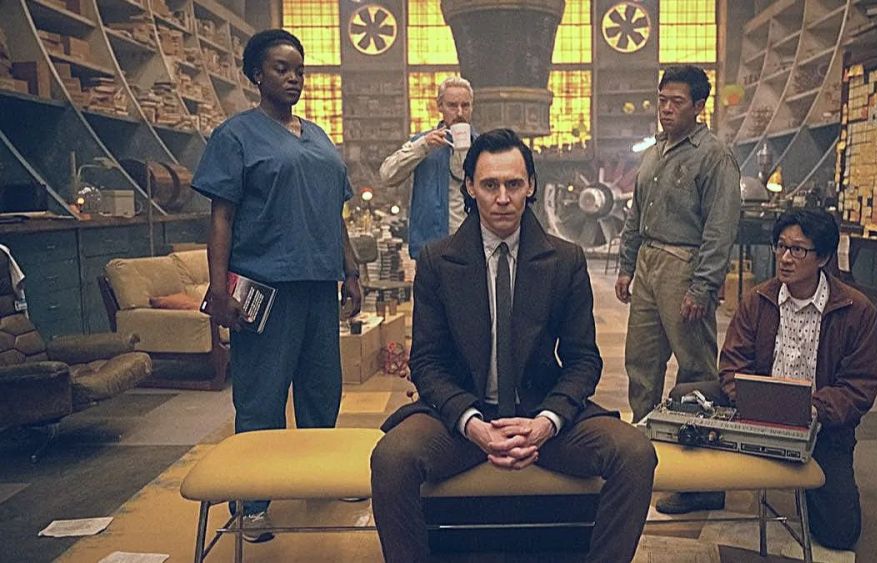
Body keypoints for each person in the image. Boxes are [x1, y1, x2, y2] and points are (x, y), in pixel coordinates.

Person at [370, 129, 657, 563]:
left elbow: (582, 360)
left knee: (635, 453)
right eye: (490, 185)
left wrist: (546, 421)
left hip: (540, 412)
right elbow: (426, 362)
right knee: (392, 458)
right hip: (461, 420)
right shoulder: (437, 261)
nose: (502, 198)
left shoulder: (565, 260)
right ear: (470, 187)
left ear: (531, 186)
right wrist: (472, 424)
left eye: (513, 184)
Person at [193, 29, 362, 542]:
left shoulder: (319, 137)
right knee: (262, 395)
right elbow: (222, 216)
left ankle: (317, 477)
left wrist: (351, 270)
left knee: (321, 390)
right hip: (264, 287)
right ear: (256, 75)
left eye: (299, 70)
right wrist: (218, 288)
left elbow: (335, 213)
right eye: (281, 69)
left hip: (318, 284)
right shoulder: (236, 136)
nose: (293, 78)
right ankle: (252, 502)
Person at [615, 64, 740, 514]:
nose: (666, 109)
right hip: (649, 261)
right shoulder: (655, 152)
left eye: (677, 102)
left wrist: (703, 287)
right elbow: (635, 214)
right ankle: (642, 458)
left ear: (699, 106)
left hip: (685, 265)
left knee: (696, 372)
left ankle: (701, 478)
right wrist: (627, 265)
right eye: (662, 100)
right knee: (641, 363)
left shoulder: (714, 156)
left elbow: (720, 228)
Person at [717, 208, 877, 550]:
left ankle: (811, 486)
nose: (785, 258)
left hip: (822, 429)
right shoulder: (757, 300)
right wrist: (752, 400)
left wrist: (811, 409)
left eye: (798, 250)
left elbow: (859, 386)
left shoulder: (856, 311)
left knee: (839, 535)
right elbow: (732, 365)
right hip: (758, 416)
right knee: (689, 396)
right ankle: (702, 493)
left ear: (823, 257)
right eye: (781, 246)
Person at [380, 76, 475, 259]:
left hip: (472, 249)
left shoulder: (482, 146)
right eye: (452, 105)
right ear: (440, 106)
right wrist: (423, 146)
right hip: (431, 250)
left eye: (465, 105)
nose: (460, 113)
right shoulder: (424, 143)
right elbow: (387, 175)